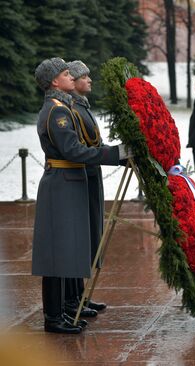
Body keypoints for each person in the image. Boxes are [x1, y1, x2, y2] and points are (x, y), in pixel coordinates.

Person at [32, 57, 130, 334]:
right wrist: (115, 155)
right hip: (62, 182)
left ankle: (64, 307)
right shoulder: (56, 112)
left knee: (68, 248)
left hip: (70, 181)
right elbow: (73, 151)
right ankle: (54, 317)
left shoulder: (63, 107)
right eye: (66, 74)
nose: (72, 77)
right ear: (55, 81)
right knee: (56, 253)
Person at [65, 60, 108, 317]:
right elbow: (81, 146)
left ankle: (79, 296)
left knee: (90, 234)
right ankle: (74, 299)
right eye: (84, 77)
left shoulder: (82, 106)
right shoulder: (72, 108)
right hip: (83, 174)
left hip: (91, 173)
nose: (89, 80)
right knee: (81, 237)